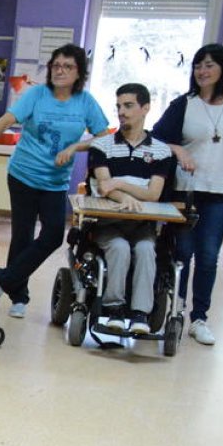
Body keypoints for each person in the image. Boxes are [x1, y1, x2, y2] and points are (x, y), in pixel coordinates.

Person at [0, 43, 110, 319]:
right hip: (23, 175)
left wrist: (75, 148)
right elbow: (4, 122)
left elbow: (105, 138)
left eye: (67, 66)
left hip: (55, 182)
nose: (60, 71)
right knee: (22, 236)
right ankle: (19, 296)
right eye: (56, 65)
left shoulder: (86, 102)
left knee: (53, 235)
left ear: (79, 72)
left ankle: (2, 280)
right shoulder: (36, 94)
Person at [150, 43, 223, 345]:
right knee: (183, 253)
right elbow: (157, 139)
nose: (202, 70)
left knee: (209, 256)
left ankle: (199, 318)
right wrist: (178, 149)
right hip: (186, 191)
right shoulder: (184, 103)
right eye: (198, 65)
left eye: (209, 65)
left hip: (221, 192)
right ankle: (177, 309)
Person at [85, 83, 176, 334]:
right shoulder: (102, 146)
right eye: (118, 107)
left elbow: (153, 193)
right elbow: (104, 186)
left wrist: (120, 183)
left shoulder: (161, 151)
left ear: (145, 108)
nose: (121, 112)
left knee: (147, 249)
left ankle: (140, 314)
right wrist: (120, 194)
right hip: (107, 224)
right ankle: (113, 308)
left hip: (142, 225)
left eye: (128, 106)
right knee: (119, 247)